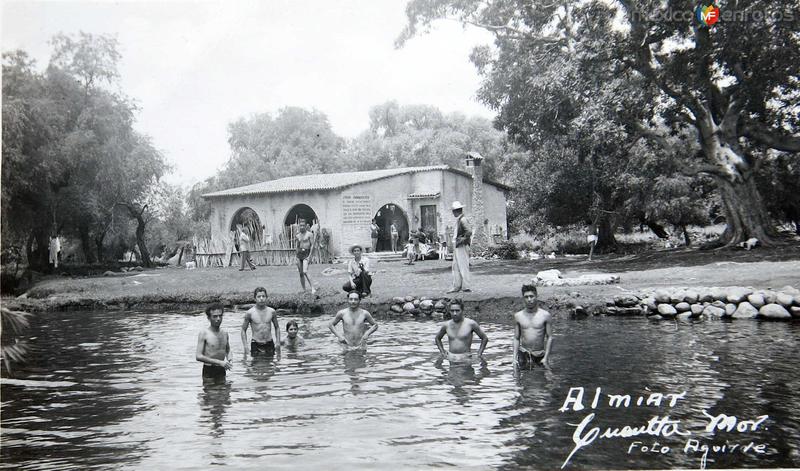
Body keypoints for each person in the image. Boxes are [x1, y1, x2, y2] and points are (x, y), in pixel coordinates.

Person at [513, 284, 553, 369]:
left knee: (542, 379)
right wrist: (514, 358)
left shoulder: (545, 315)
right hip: (523, 355)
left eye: (531, 296)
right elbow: (516, 338)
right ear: (523, 298)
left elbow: (549, 337)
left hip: (540, 355)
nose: (529, 299)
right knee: (522, 380)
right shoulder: (518, 316)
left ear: (536, 296)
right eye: (526, 297)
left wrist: (546, 357)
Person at [196, 303, 233, 383]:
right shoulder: (204, 333)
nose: (218, 319)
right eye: (215, 316)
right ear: (209, 318)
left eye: (220, 316)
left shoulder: (225, 333)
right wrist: (219, 362)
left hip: (221, 369)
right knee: (211, 394)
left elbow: (227, 349)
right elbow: (198, 356)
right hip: (209, 369)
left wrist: (230, 359)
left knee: (224, 394)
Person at [241, 287, 281, 357]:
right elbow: (243, 330)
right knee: (256, 366)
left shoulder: (272, 311)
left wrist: (278, 342)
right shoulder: (250, 313)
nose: (261, 298)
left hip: (269, 343)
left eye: (263, 296)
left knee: (270, 366)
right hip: (256, 344)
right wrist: (245, 346)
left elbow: (277, 327)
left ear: (266, 297)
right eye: (259, 296)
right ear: (255, 298)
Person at [447, 201, 473, 293]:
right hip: (458, 246)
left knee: (463, 265)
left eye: (453, 211)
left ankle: (466, 286)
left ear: (456, 211)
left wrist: (462, 240)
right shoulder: (460, 219)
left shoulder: (463, 220)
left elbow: (469, 232)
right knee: (456, 266)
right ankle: (457, 286)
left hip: (461, 245)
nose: (452, 213)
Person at [295, 219, 315, 293]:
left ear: (306, 226)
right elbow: (297, 247)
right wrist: (296, 257)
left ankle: (313, 288)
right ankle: (304, 289)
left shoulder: (309, 234)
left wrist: (310, 256)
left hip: (306, 254)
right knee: (301, 273)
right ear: (299, 226)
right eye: (301, 225)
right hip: (299, 254)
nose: (302, 227)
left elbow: (312, 245)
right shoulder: (297, 235)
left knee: (305, 271)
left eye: (303, 225)